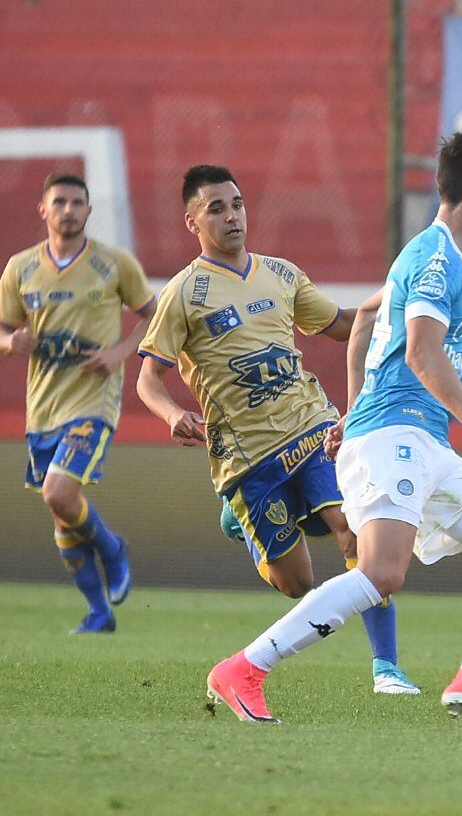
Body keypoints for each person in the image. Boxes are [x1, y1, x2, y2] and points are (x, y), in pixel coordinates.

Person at [204, 133, 462, 723]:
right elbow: (421, 353)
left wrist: (353, 408)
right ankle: (243, 669)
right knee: (382, 573)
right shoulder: (438, 258)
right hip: (397, 437)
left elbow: (367, 316)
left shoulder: (443, 258)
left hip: (413, 439)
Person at [136, 164, 417, 697]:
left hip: (312, 427)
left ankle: (387, 668)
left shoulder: (282, 274)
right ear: (192, 220)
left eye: (237, 204)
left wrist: (401, 304)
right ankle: (242, 521)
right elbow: (148, 380)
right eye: (216, 208)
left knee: (354, 529)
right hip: (246, 457)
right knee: (298, 585)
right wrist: (173, 415)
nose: (231, 215)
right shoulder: (183, 294)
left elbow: (339, 325)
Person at [0, 173, 154, 634]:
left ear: (89, 211)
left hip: (94, 402)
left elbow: (153, 317)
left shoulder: (113, 264)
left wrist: (119, 353)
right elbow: (3, 330)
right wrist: (12, 342)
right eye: (60, 202)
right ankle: (98, 612)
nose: (68, 210)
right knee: (62, 510)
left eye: (77, 202)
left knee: (59, 492)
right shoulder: (20, 268)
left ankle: (112, 549)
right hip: (43, 406)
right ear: (43, 210)